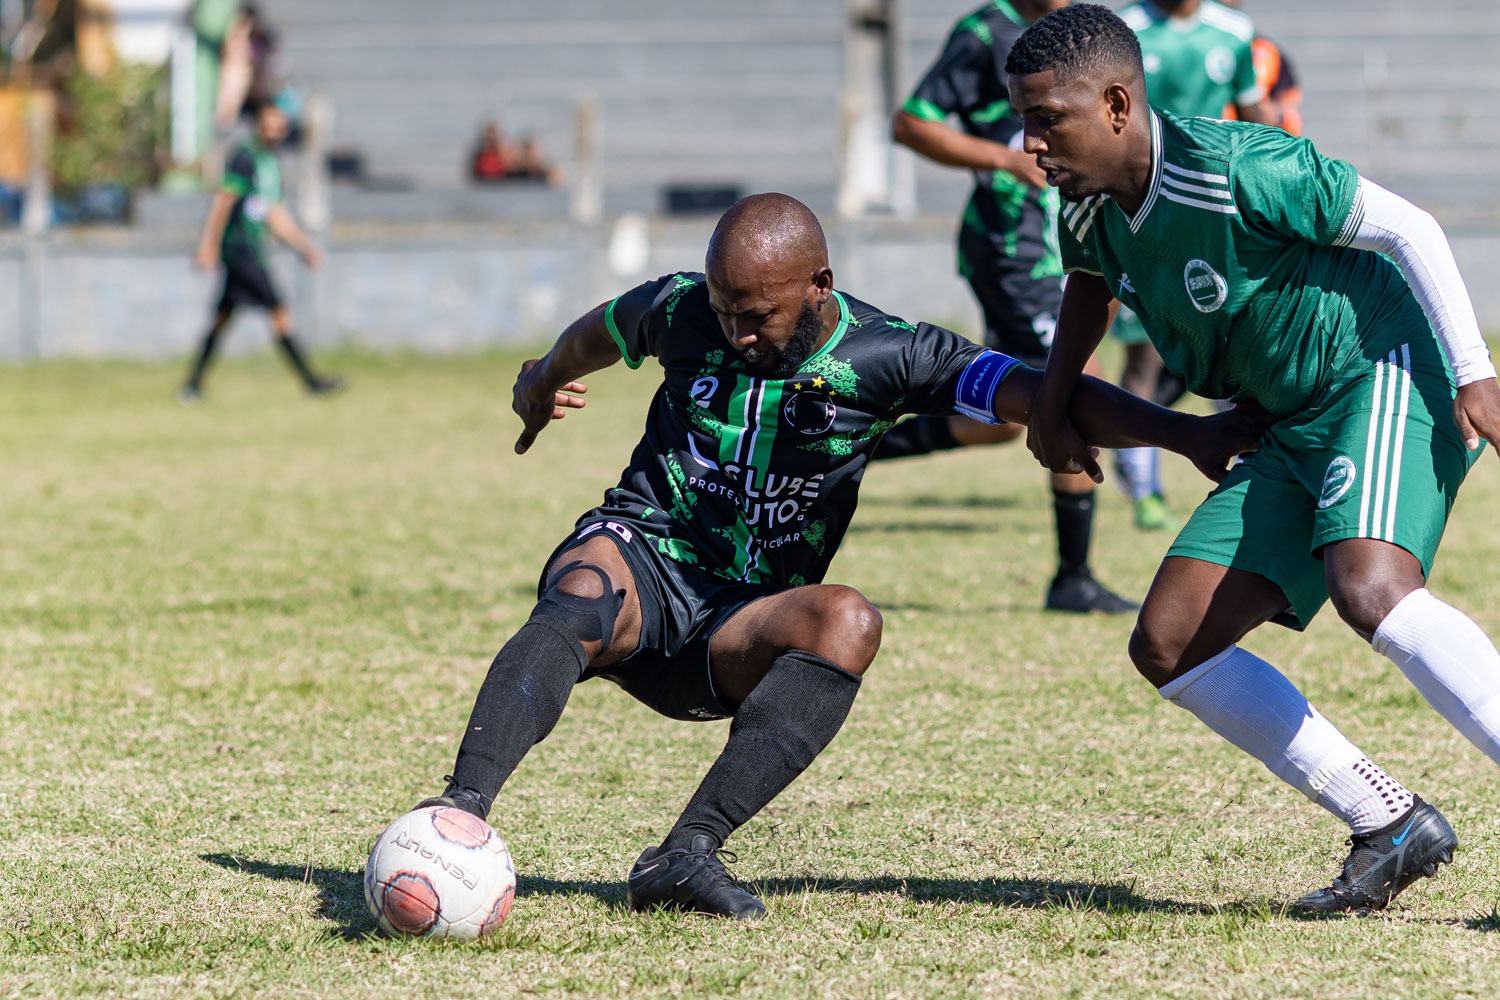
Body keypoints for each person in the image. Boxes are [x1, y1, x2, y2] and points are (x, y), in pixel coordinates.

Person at [408, 192, 1262, 919]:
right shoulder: (681, 309)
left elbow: (1038, 392)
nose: (737, 333)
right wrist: (541, 378)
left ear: (819, 284)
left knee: (848, 620)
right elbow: (604, 328)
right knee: (587, 574)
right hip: (647, 564)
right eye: (725, 311)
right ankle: (457, 816)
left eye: (759, 316)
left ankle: (685, 855)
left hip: (737, 627)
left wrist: (1183, 433)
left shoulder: (891, 355)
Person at [1008, 4, 1500, 912]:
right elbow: (1089, 282)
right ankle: (1389, 824)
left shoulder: (1241, 166)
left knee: (1372, 588)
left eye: (1046, 119)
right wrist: (1051, 402)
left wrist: (1476, 374)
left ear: (1116, 105)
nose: (1028, 143)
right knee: (1171, 641)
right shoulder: (1087, 203)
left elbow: (1413, 229)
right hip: (1283, 417)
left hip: (1380, 367)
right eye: (1023, 120)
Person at [874, 0, 1140, 615]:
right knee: (1076, 386)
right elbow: (910, 123)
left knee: (1001, 417)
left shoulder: (1087, 29)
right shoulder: (983, 33)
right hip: (1014, 248)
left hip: (1060, 238)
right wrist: (1000, 158)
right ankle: (1073, 578)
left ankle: (853, 442)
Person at [1110, 0, 1282, 532]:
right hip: (1144, 220)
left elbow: (1255, 118)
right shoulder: (1127, 31)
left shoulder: (1232, 31)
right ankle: (1145, 490)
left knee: (1235, 353)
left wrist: (1283, 148)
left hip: (1213, 219)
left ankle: (1249, 480)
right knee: (1144, 362)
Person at [180, 100, 342, 401]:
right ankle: (311, 382)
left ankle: (192, 386)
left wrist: (303, 247)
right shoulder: (244, 158)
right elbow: (222, 201)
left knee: (222, 319)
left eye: (279, 126)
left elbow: (274, 214)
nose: (275, 131)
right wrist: (208, 245)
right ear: (257, 125)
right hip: (241, 250)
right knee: (280, 313)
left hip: (251, 249)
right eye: (269, 125)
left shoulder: (269, 163)